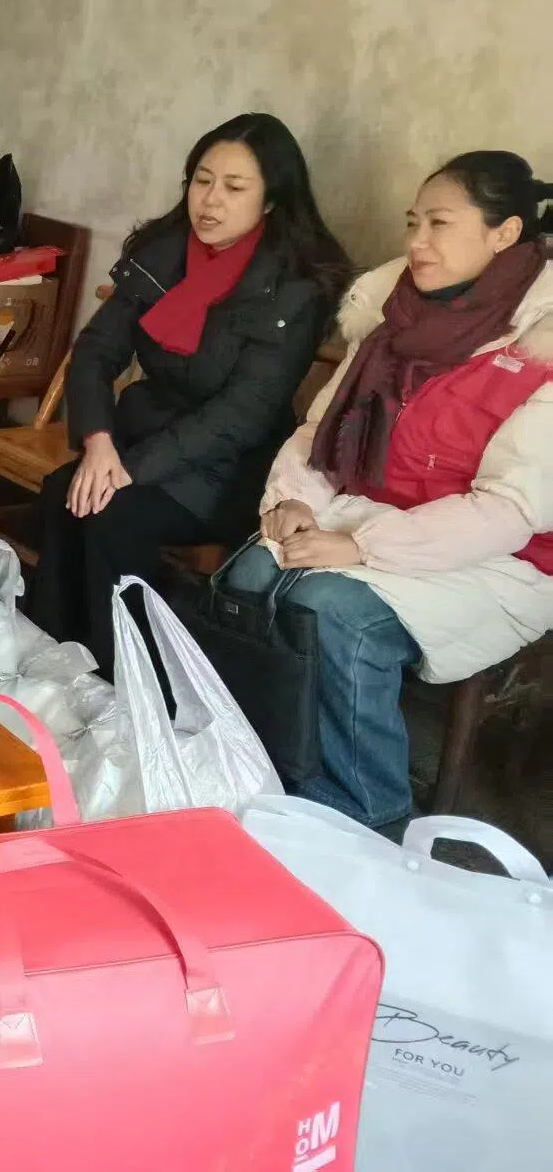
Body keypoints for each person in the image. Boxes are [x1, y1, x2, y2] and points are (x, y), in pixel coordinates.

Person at [236, 150, 553, 829]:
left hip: (503, 558)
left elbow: (510, 512)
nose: (417, 241)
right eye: (413, 222)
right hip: (370, 513)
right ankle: (269, 778)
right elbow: (320, 433)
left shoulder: (542, 344)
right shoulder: (394, 315)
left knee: (330, 611)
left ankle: (372, 815)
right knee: (250, 575)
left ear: (504, 234)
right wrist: (294, 501)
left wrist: (359, 545)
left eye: (440, 223)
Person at [27, 112, 352, 679]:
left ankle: (123, 678)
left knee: (110, 515)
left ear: (271, 200)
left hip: (226, 466)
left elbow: (243, 415)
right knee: (64, 492)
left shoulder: (295, 287)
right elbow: (97, 350)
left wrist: (129, 471)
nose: (211, 200)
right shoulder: (165, 251)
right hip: (142, 435)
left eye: (234, 187)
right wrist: (99, 443)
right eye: (202, 180)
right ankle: (52, 652)